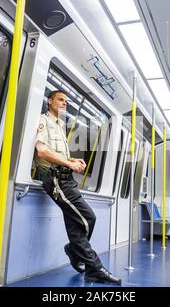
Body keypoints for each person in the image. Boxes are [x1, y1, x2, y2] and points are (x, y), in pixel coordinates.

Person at [34, 89, 121, 285]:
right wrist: (69, 164)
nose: (64, 103)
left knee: (76, 225)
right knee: (87, 219)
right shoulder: (43, 121)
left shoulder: (60, 125)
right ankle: (95, 267)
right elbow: (42, 151)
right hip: (55, 180)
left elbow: (58, 155)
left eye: (66, 101)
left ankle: (78, 255)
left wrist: (73, 160)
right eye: (60, 100)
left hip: (66, 179)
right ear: (50, 101)